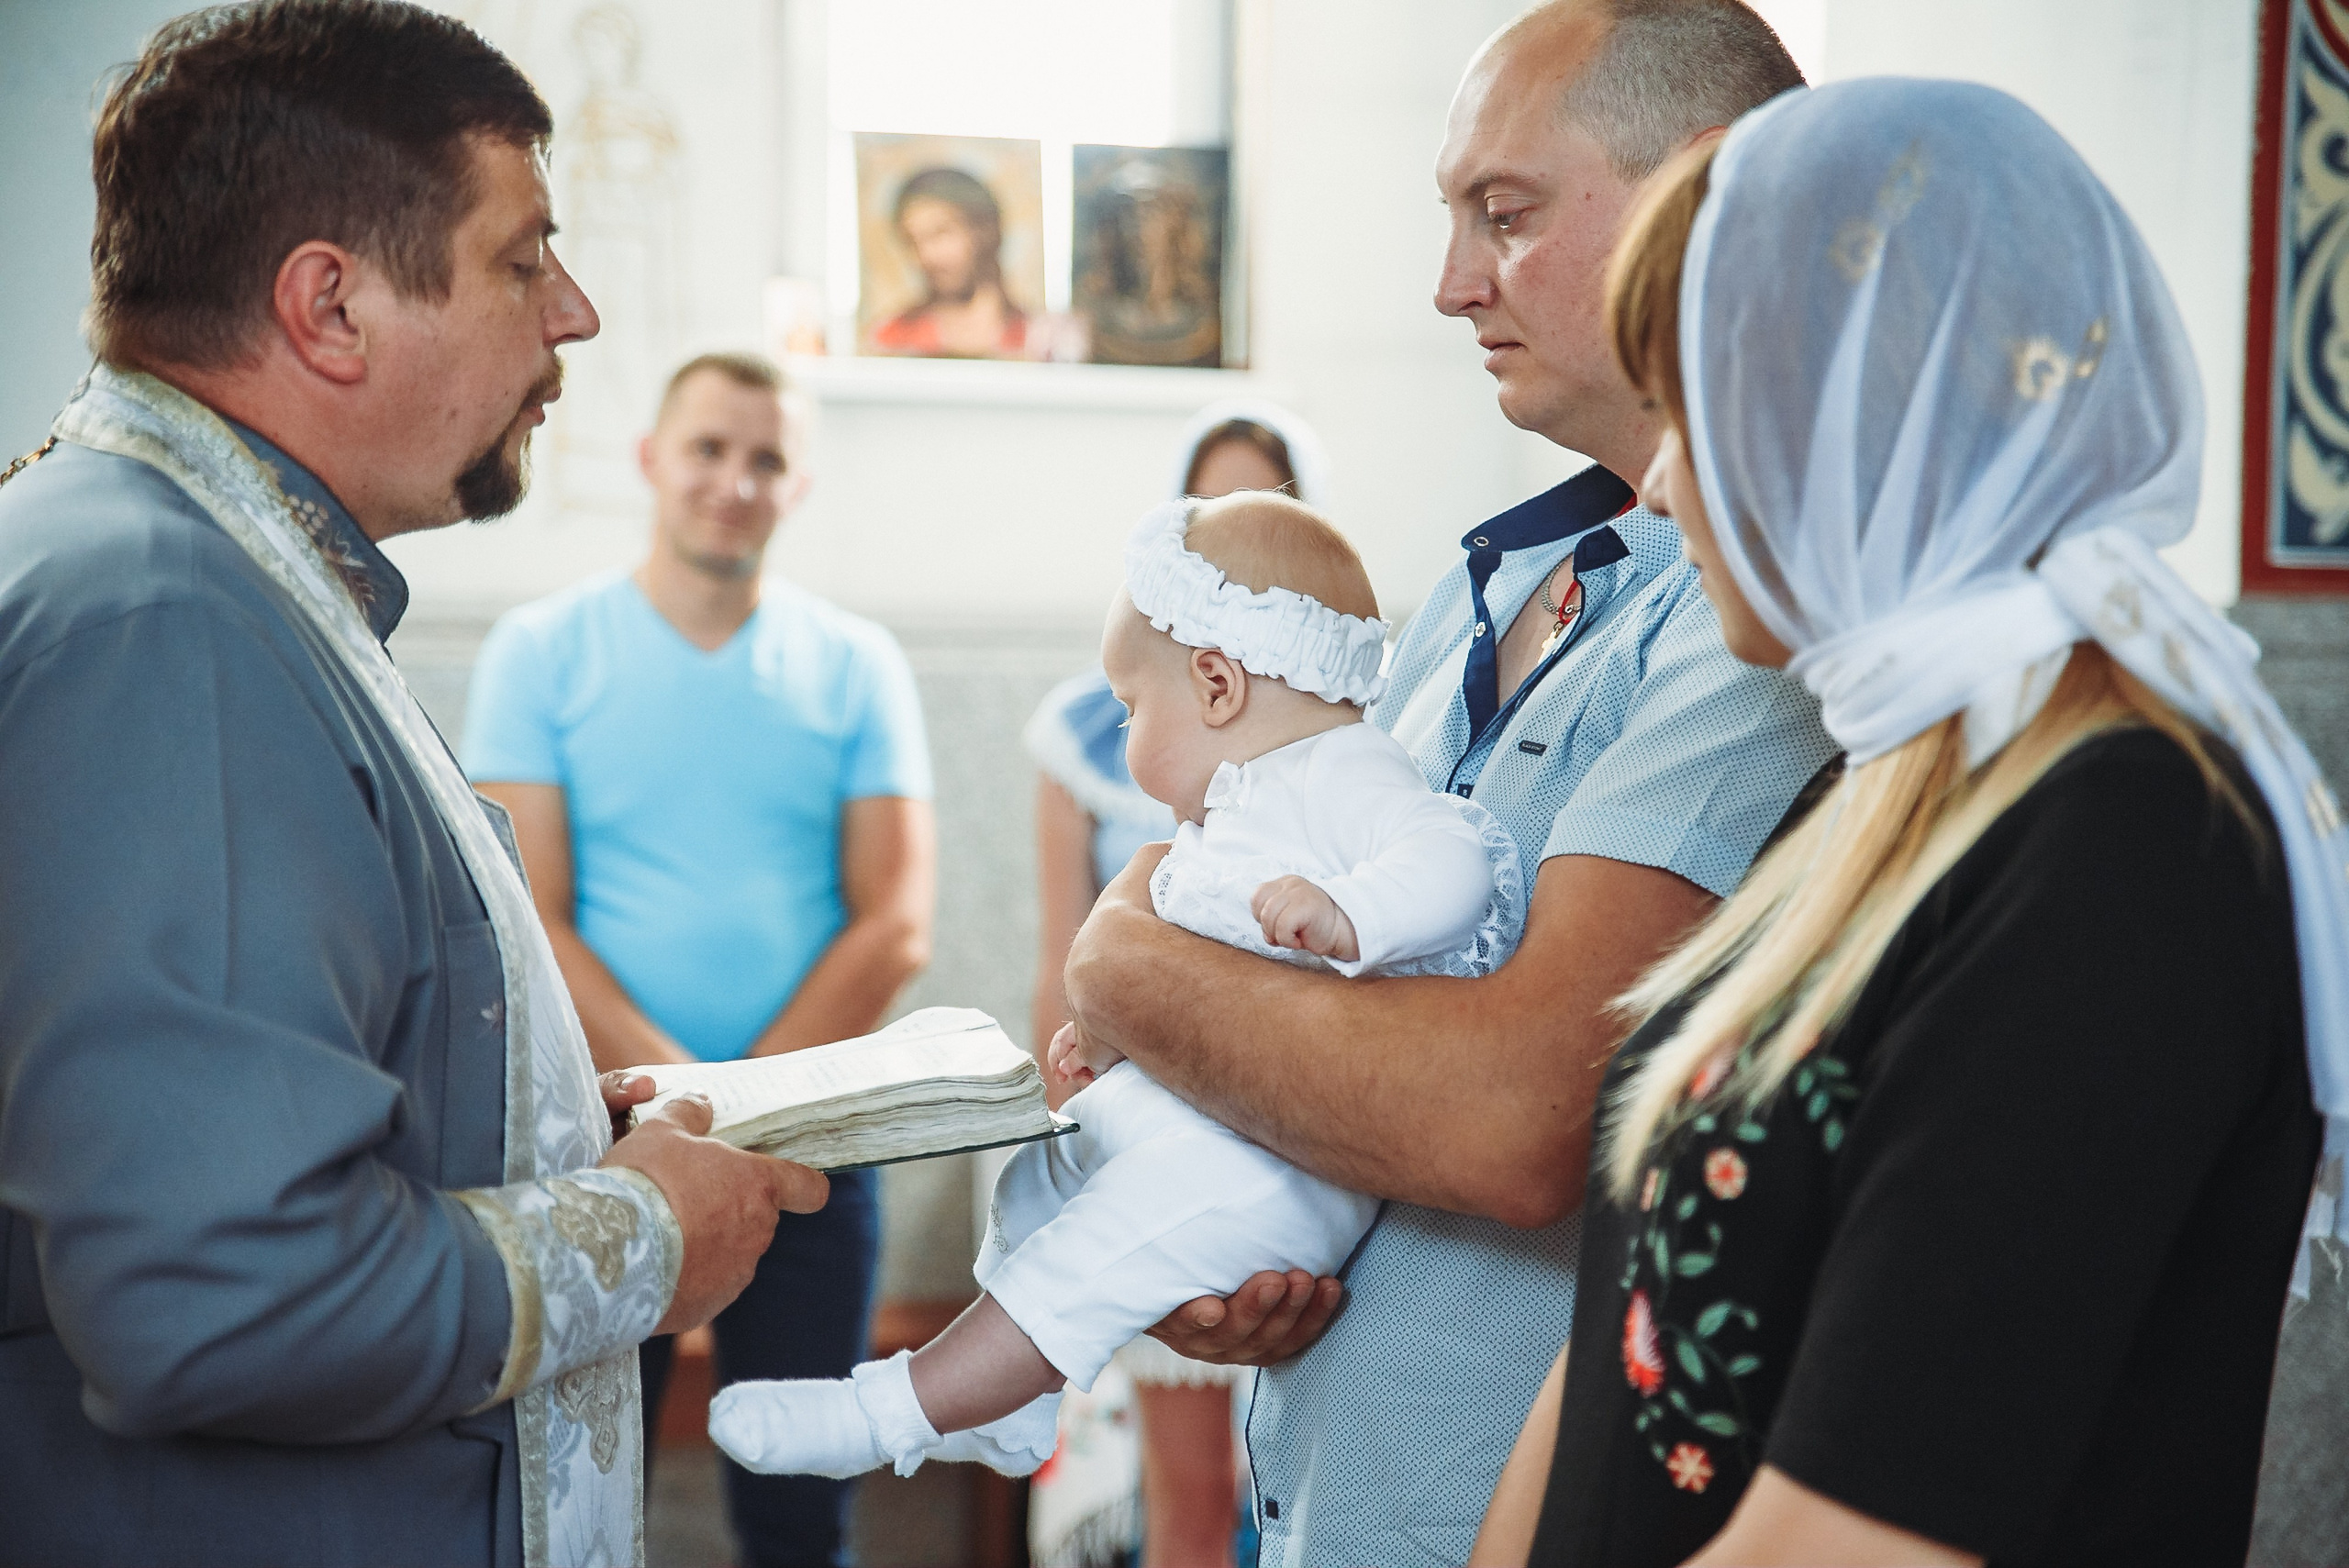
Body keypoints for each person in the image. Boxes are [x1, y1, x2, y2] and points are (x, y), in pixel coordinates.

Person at [0, 6, 822, 1565]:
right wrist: (647, 1235)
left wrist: (549, 1119)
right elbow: (222, 1292)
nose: (574, 313)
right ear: (333, 305)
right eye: (525, 256)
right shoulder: (159, 617)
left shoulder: (220, 563)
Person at [1475, 78, 2335, 1567]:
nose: (1663, 485)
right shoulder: (1872, 787)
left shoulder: (2126, 852)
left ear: (1854, 422)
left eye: (1691, 412)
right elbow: (1629, 1332)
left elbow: (1861, 1533)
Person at [1056, 6, 1833, 1563]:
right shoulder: (1500, 577)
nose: (1451, 282)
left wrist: (1122, 956)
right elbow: (1313, 979)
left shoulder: (1771, 607)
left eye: (1509, 213)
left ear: (1700, 197)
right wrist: (1244, 1216)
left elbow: (1510, 1112)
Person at [712, 491, 1521, 1481]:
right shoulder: (1237, 809)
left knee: (1100, 1240)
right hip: (1212, 1117)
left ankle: (892, 1410)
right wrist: (1116, 1047)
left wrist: (1356, 915)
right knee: (1044, 1171)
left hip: (1279, 1166)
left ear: (1217, 684)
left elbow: (1454, 858)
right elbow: (1212, 985)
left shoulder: (1345, 771)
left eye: (1133, 709)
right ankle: (1013, 1404)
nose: (1127, 740)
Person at [463, 350, 935, 1568]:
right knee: (578, 1490)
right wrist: (686, 1103)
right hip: (603, 1143)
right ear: (651, 463)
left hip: (819, 1150)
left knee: (799, 1496)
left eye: (766, 457)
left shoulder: (856, 662)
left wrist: (746, 1106)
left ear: (798, 484)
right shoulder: (539, 651)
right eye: (710, 449)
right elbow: (532, 920)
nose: (735, 479)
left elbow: (896, 922)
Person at [1024, 399, 1327, 1568]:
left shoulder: (1346, 727)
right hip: (1153, 1133)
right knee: (1192, 1504)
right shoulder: (1099, 733)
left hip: (1310, 1138)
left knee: (1304, 1493)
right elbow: (1064, 969)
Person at [870, 167, 1030, 359]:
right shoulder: (893, 338)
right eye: (912, 242)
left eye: (941, 233)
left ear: (986, 230)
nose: (926, 256)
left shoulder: (1039, 338)